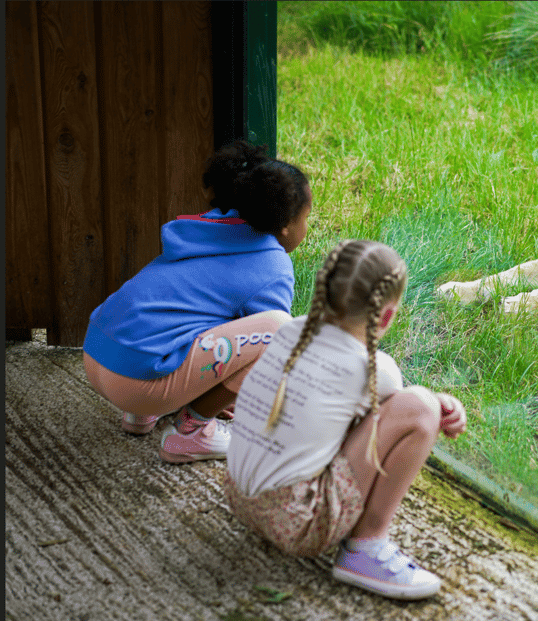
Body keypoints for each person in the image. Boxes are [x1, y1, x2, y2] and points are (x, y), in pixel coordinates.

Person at [224, 239, 467, 600]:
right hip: (298, 523)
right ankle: (366, 548)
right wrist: (437, 403)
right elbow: (404, 415)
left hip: (239, 497)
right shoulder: (373, 369)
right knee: (421, 410)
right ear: (386, 316)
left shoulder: (288, 331)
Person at [83, 140, 312, 463]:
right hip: (136, 383)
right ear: (286, 225)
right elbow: (267, 358)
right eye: (306, 217)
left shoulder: (205, 227)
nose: (307, 227)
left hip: (97, 354)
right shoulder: (272, 265)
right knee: (280, 330)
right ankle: (190, 433)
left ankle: (140, 415)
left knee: (194, 312)